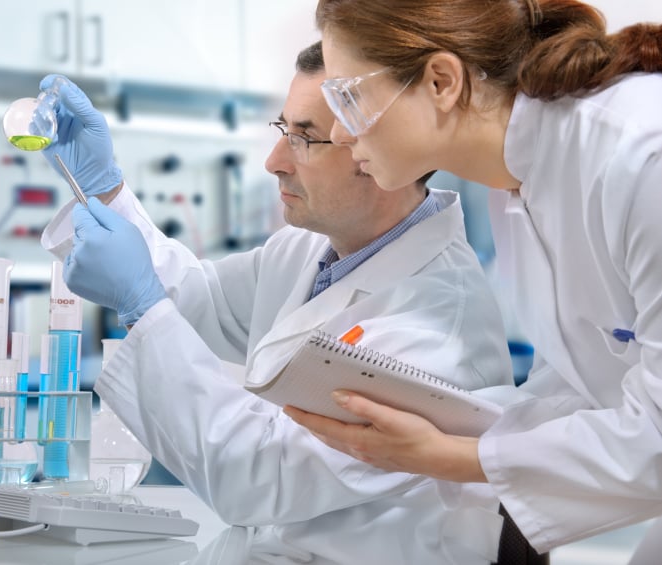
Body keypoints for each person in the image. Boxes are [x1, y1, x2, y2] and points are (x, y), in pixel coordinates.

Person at [40, 42, 514, 563]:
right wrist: (102, 190)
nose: (274, 161)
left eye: (305, 138)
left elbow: (258, 476)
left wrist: (139, 303)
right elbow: (203, 303)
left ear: (381, 155)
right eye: (282, 130)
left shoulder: (436, 329)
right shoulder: (313, 249)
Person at [284, 0, 662, 558]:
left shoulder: (640, 155)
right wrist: (441, 421)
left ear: (440, 81)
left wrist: (443, 456)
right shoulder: (519, 181)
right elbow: (581, 383)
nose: (339, 133)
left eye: (350, 97)